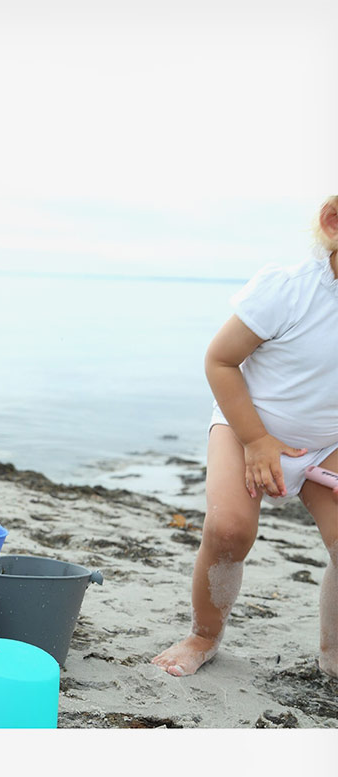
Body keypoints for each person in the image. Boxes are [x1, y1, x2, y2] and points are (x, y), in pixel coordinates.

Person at [153, 196, 338, 679]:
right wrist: (256, 439)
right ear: (333, 223)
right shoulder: (289, 291)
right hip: (246, 427)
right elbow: (220, 360)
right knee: (229, 531)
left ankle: (334, 655)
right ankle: (203, 636)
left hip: (327, 444)